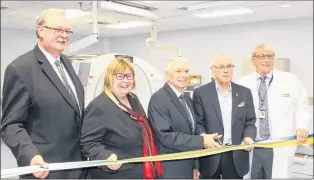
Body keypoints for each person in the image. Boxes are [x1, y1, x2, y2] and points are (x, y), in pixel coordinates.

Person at [1, 9, 85, 179]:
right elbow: (11, 125)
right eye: (58, 30)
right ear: (40, 30)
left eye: (67, 31)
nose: (64, 35)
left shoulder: (66, 63)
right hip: (46, 169)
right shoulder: (20, 69)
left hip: (77, 166)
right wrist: (31, 156)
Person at [236, 44, 311, 178]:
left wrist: (302, 126)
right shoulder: (242, 83)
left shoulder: (290, 81)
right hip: (253, 144)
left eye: (270, 56)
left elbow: (302, 106)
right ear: (253, 60)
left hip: (279, 144)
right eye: (262, 56)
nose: (266, 60)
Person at [80, 58, 163, 179]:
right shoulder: (99, 107)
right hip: (117, 174)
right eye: (120, 76)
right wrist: (106, 156)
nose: (126, 80)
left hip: (140, 171)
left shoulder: (133, 98)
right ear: (110, 77)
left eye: (129, 76)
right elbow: (88, 143)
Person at [147, 57, 222, 179]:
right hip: (170, 168)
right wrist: (202, 141)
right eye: (178, 71)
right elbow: (166, 136)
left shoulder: (186, 98)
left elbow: (192, 129)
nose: (184, 75)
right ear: (167, 75)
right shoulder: (159, 99)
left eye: (186, 71)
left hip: (187, 166)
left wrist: (195, 165)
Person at [193, 53, 257, 179]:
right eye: (221, 67)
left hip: (236, 155)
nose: (226, 70)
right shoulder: (201, 93)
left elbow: (250, 122)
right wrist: (203, 137)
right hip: (210, 155)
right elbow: (197, 123)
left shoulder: (244, 92)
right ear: (212, 70)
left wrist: (248, 137)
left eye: (229, 66)